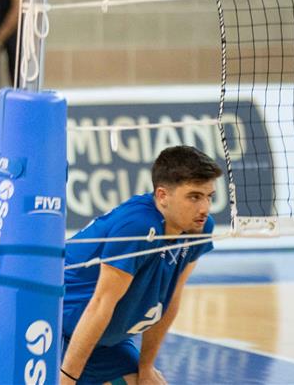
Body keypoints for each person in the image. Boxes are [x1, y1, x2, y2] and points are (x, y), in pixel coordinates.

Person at [60, 146, 222, 385]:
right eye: (194, 197)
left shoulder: (200, 228)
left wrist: (146, 367)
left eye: (209, 197)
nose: (205, 208)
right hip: (59, 329)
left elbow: (169, 299)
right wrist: (66, 380)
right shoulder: (137, 226)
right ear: (162, 196)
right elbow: (101, 305)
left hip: (105, 341)